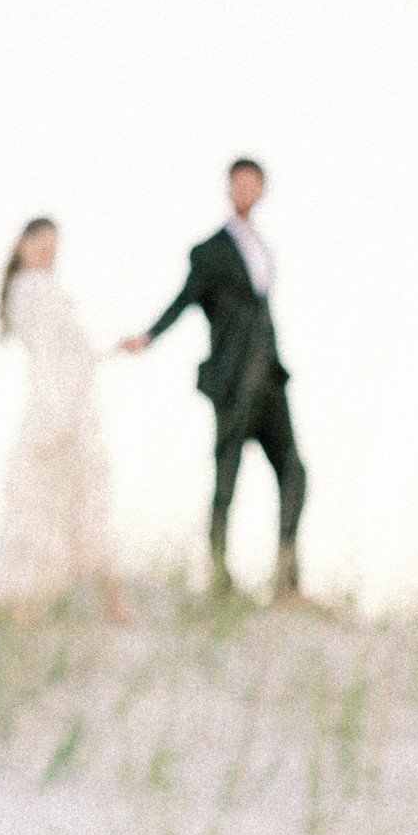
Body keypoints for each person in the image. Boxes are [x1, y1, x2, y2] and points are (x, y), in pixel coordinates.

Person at [123, 158, 307, 600]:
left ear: (262, 190)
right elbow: (184, 298)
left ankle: (287, 580)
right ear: (229, 188)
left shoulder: (264, 248)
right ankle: (218, 577)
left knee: (294, 470)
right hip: (234, 379)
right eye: (238, 183)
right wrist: (150, 334)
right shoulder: (210, 251)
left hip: (270, 378)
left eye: (253, 184)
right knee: (227, 476)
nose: (245, 191)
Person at [0, 218, 133, 623]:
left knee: (64, 510)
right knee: (63, 510)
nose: (48, 253)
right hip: (57, 417)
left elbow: (74, 353)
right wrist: (59, 418)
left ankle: (94, 603)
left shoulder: (39, 290)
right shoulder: (32, 289)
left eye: (54, 247)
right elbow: (51, 356)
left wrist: (113, 347)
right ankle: (103, 604)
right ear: (22, 243)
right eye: (41, 244)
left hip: (66, 413)